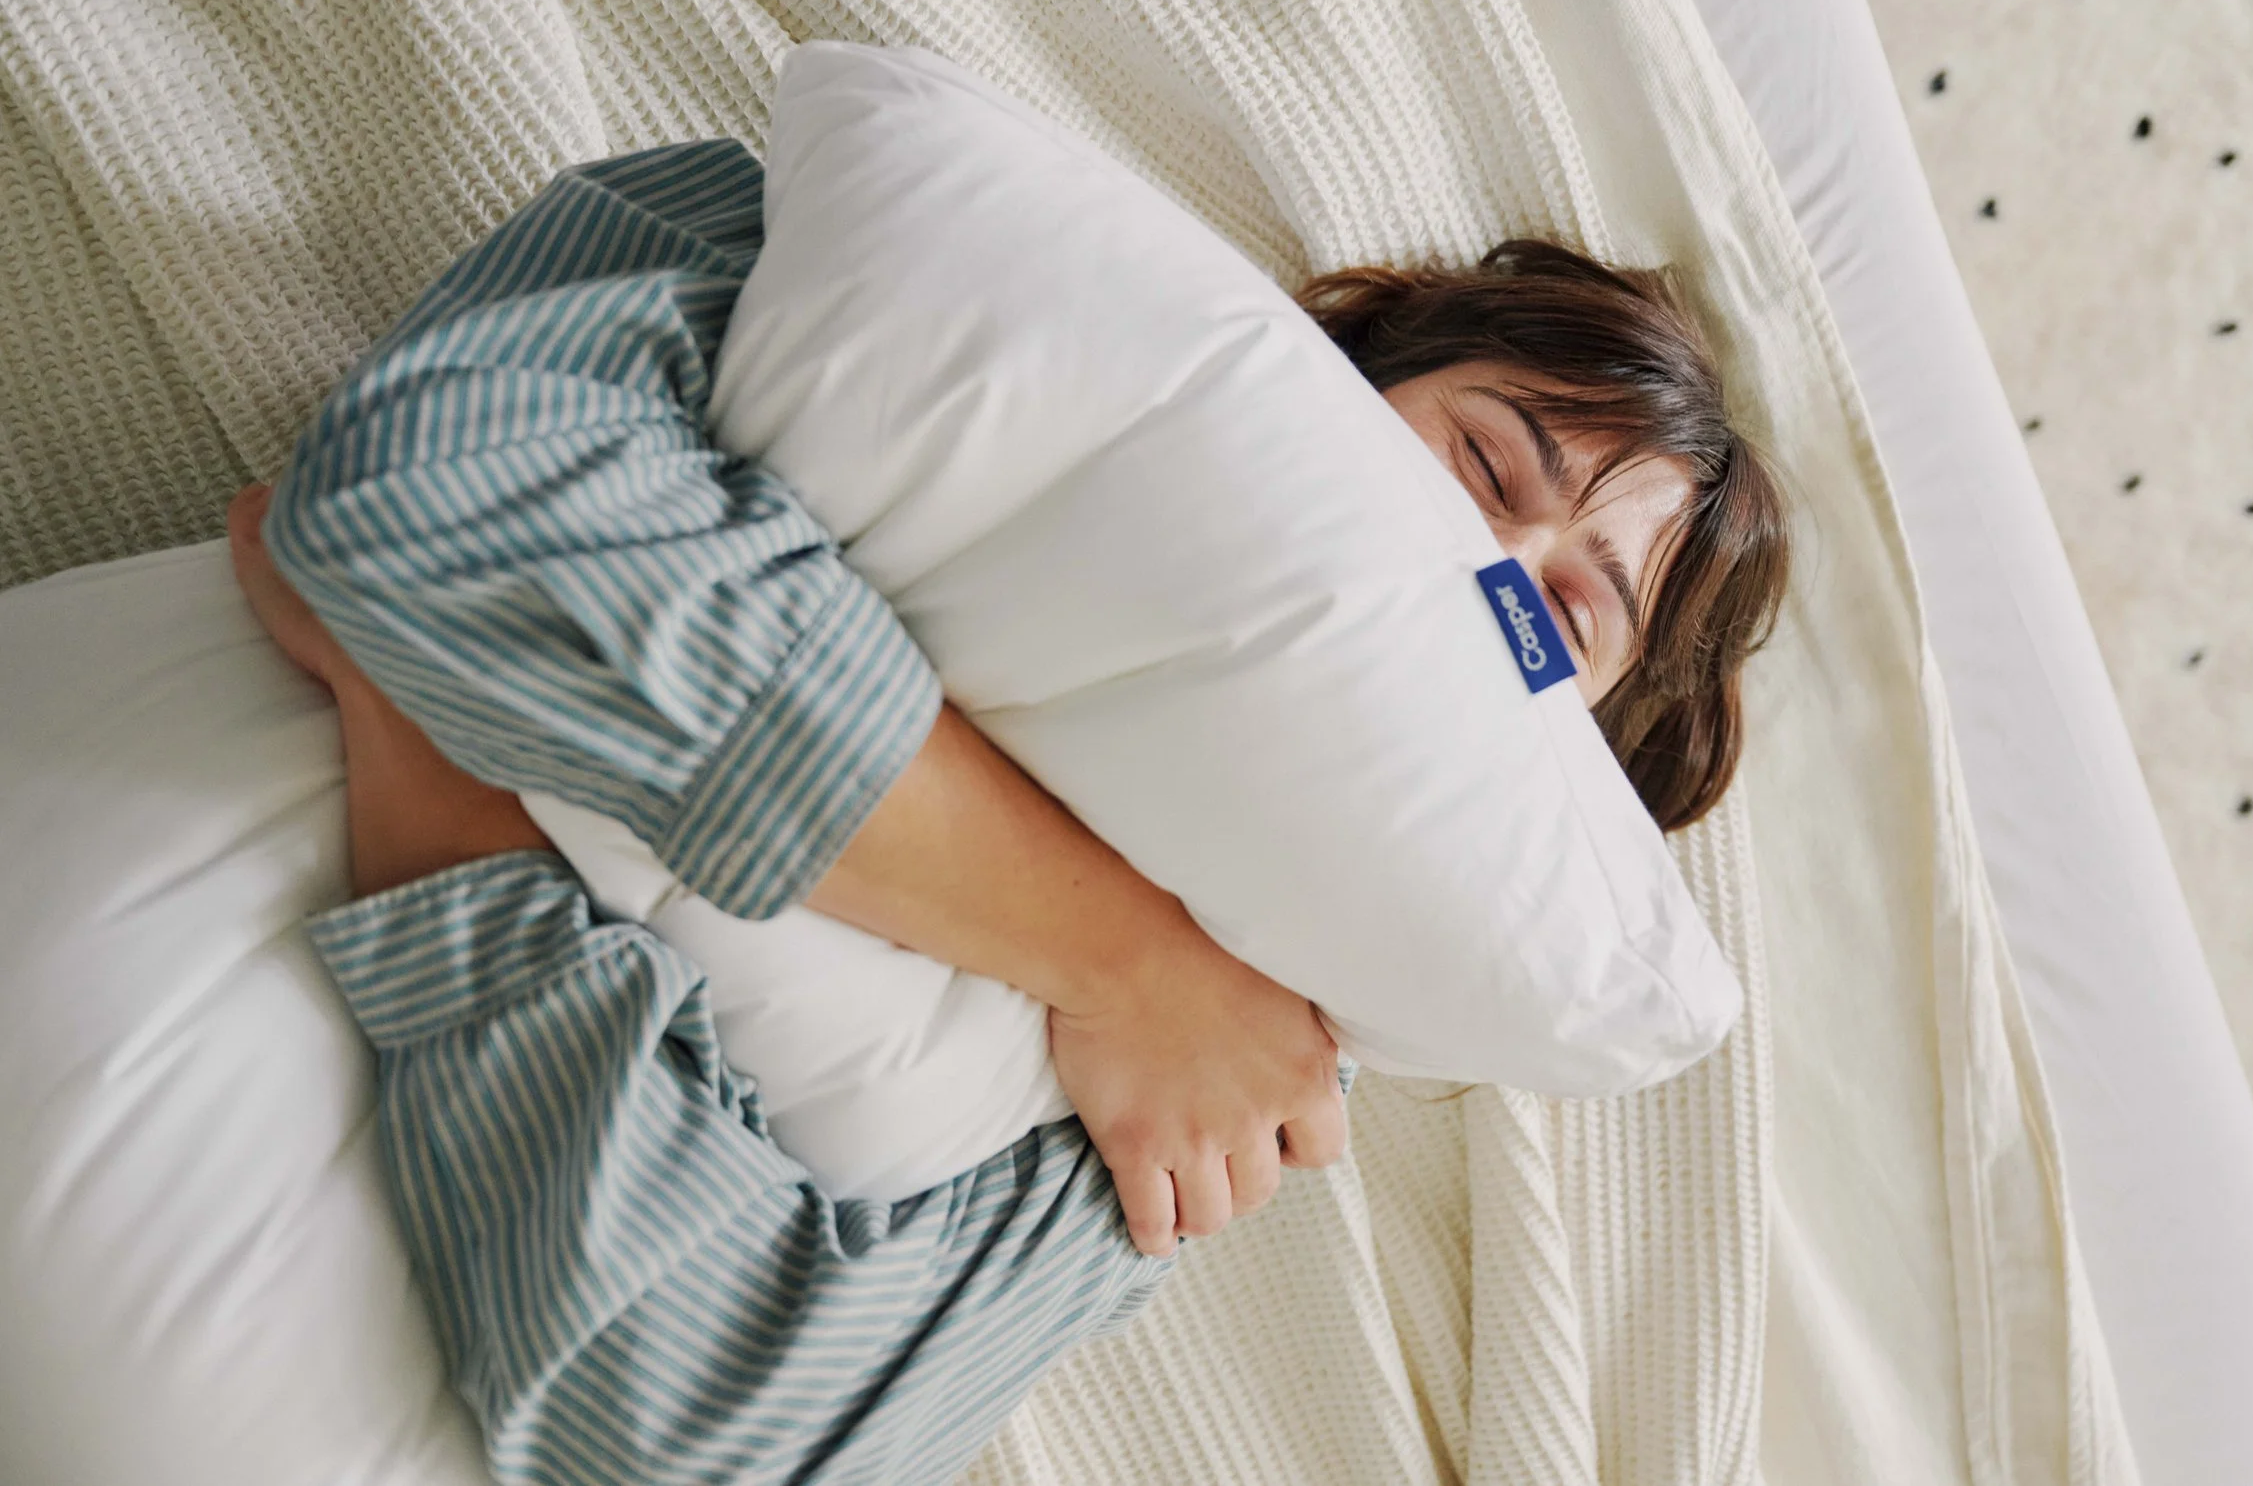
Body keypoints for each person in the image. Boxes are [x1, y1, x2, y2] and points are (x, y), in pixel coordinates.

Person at [228, 137, 1790, 1485]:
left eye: (1562, 627)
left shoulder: (1247, 1068)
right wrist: (1124, 960)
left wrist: (417, 727)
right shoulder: (868, 293)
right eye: (1476, 468)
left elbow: (691, 1435)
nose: (1486, 580)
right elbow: (419, 487)